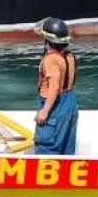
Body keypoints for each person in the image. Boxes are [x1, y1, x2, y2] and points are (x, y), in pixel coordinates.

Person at [35, 16, 79, 155]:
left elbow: (54, 87)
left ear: (48, 40)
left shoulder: (52, 60)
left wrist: (44, 111)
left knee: (48, 147)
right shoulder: (69, 56)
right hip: (70, 102)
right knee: (67, 146)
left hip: (55, 106)